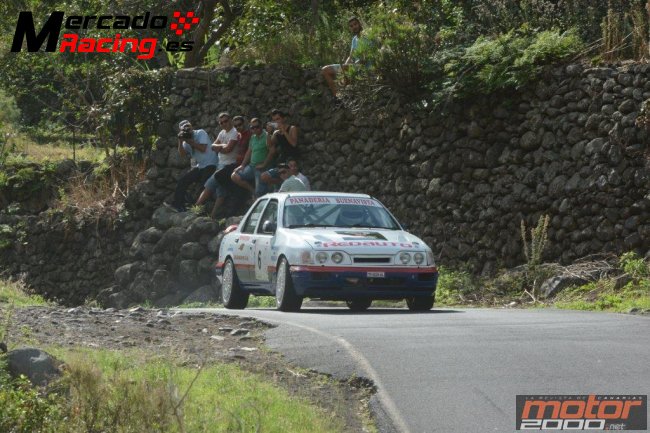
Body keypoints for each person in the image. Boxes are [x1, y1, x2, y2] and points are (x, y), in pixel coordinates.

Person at [195, 112, 240, 217]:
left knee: (209, 185)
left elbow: (228, 149)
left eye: (225, 121)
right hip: (220, 163)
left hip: (229, 164)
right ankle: (213, 215)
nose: (224, 124)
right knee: (221, 191)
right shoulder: (222, 133)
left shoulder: (234, 132)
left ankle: (195, 209)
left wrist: (220, 148)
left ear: (230, 121)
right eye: (221, 123)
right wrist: (222, 146)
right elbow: (212, 147)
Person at [168, 120, 216, 212]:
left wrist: (191, 142)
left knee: (204, 184)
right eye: (184, 129)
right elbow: (181, 154)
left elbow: (203, 148)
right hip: (200, 166)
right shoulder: (185, 142)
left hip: (211, 163)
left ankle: (199, 208)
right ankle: (178, 205)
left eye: (188, 127)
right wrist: (180, 141)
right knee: (183, 181)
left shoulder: (200, 133)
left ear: (192, 126)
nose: (187, 130)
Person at [321, 16, 365, 97]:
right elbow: (351, 56)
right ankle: (338, 97)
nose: (354, 27)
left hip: (364, 67)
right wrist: (344, 68)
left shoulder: (367, 36)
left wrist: (349, 68)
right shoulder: (354, 39)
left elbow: (368, 56)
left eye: (355, 24)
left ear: (359, 23)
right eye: (351, 26)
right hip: (354, 66)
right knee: (325, 70)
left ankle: (340, 97)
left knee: (339, 76)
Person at [231, 118, 275, 198]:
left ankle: (257, 195)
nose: (255, 129)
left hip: (261, 168)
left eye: (257, 127)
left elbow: (272, 152)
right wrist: (242, 165)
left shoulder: (267, 136)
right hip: (252, 166)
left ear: (261, 126)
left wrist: (264, 164)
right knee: (234, 175)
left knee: (260, 193)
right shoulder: (253, 137)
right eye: (252, 128)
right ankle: (253, 191)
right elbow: (249, 152)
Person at [260, 109, 299, 190]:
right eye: (274, 120)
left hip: (291, 161)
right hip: (281, 162)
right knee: (264, 176)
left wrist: (284, 131)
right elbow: (269, 146)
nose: (276, 122)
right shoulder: (276, 132)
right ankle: (281, 182)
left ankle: (283, 183)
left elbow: (294, 143)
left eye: (278, 119)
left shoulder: (292, 128)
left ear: (283, 119)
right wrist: (268, 133)